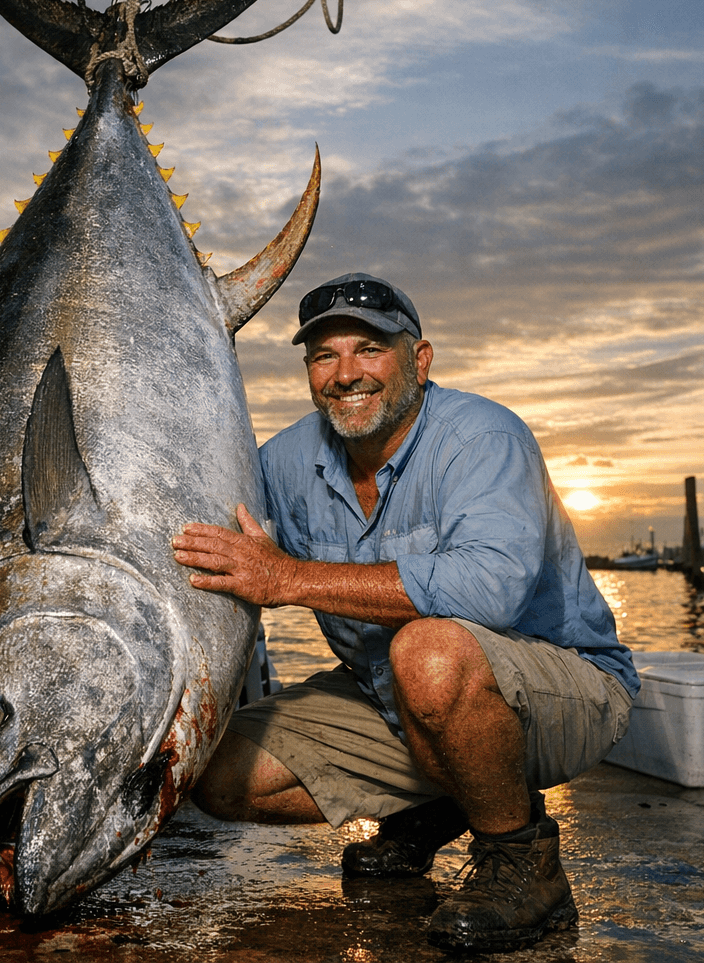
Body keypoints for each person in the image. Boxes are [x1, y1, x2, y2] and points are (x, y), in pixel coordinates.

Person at [172, 273, 637, 954]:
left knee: (428, 651)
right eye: (324, 356)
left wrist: (288, 578)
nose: (345, 374)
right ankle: (445, 799)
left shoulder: (484, 437)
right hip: (388, 696)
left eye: (369, 349)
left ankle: (521, 861)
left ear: (419, 360)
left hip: (565, 688)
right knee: (211, 773)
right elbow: (207, 540)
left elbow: (490, 591)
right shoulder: (285, 461)